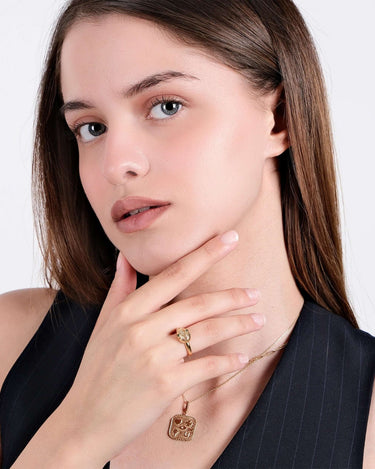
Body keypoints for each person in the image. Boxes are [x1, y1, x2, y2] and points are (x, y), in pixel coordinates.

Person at [0, 0, 374, 467]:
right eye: (91, 128)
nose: (118, 164)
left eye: (166, 106)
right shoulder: (9, 343)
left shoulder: (367, 420)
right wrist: (79, 431)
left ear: (279, 120)